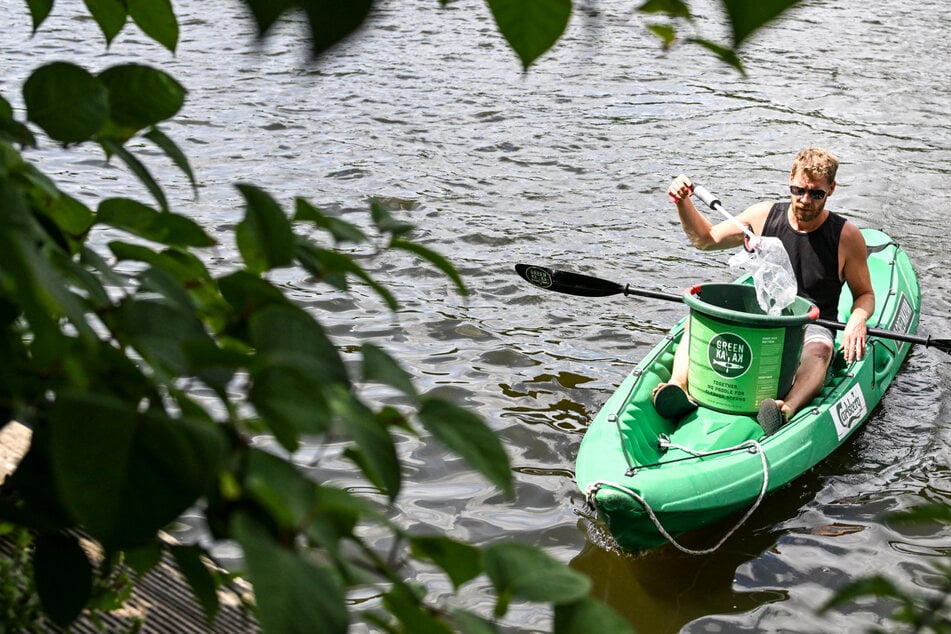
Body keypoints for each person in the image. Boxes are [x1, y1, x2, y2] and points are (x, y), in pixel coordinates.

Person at [654, 147, 875, 430]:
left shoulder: (846, 236)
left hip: (813, 323)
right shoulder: (763, 216)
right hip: (763, 316)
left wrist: (858, 319)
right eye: (798, 190)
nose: (805, 200)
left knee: (820, 350)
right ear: (790, 180)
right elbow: (706, 239)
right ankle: (677, 386)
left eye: (816, 194)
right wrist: (683, 202)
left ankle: (785, 409)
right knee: (697, 320)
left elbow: (865, 295)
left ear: (831, 189)